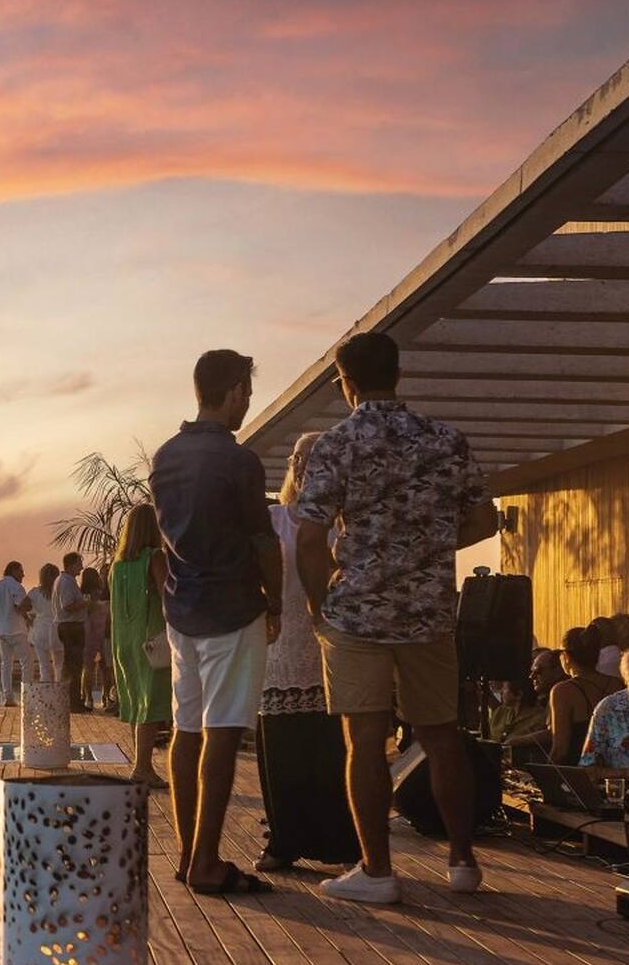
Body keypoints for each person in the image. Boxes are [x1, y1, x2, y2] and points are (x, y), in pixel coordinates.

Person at [295, 330, 499, 904]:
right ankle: (463, 861)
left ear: (346, 382)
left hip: (357, 616)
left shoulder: (337, 444)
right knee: (441, 736)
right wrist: (424, 548)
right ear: (398, 374)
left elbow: (309, 538)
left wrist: (316, 606)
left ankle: (378, 870)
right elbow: (484, 521)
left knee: (364, 740)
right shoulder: (446, 440)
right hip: (429, 612)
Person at [150, 348, 280, 895]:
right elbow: (262, 540)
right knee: (222, 734)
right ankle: (206, 862)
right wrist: (276, 601)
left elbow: (166, 538)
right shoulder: (238, 460)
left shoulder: (165, 457)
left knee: (187, 730)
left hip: (183, 609)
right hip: (231, 607)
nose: (247, 404)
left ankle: (188, 855)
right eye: (246, 393)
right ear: (233, 392)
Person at [255, 432, 357, 873]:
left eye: (314, 458)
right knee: (282, 747)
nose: (303, 465)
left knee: (327, 749)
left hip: (327, 642)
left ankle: (340, 843)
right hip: (280, 644)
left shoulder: (342, 523)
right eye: (297, 458)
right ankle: (284, 840)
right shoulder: (273, 518)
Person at [109, 504, 171, 789]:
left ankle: (140, 763)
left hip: (124, 642)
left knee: (137, 701)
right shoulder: (155, 557)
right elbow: (168, 595)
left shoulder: (117, 566)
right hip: (151, 642)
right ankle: (142, 767)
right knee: (151, 703)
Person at [547, 625, 620, 765]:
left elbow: (560, 751)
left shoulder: (563, 691)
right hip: (617, 768)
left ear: (566, 657)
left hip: (579, 771)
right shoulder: (617, 684)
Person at [0, 561, 35, 708]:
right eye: (21, 571)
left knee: (6, 664)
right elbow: (21, 606)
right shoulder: (16, 587)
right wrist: (28, 609)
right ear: (13, 571)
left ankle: (8, 698)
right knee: (27, 662)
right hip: (16, 629)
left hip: (0, 630)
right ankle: (26, 697)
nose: (23, 575)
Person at [56, 552, 90, 711]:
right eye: (79, 564)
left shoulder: (66, 581)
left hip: (70, 626)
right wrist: (86, 603)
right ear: (71, 565)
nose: (81, 567)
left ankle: (71, 701)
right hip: (71, 627)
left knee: (71, 665)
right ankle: (73, 702)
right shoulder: (66, 582)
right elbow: (67, 606)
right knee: (73, 666)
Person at [81, 565, 111, 711]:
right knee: (105, 668)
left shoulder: (83, 595)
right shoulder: (104, 594)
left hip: (90, 634)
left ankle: (88, 697)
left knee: (89, 668)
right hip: (103, 633)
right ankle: (105, 697)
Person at [30, 563, 64, 682]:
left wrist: (28, 619)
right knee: (59, 664)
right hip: (57, 628)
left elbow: (21, 606)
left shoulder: (35, 592)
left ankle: (45, 688)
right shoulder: (60, 592)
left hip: (40, 629)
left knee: (43, 665)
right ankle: (59, 687)